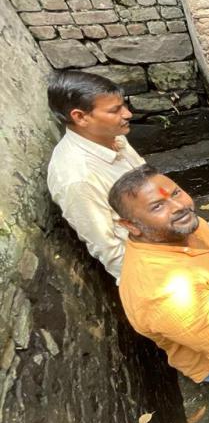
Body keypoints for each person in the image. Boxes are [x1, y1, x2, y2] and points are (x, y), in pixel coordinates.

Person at [109, 165, 209, 408]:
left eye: (175, 193)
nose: (178, 206)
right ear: (131, 225)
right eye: (157, 206)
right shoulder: (165, 292)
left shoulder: (188, 228)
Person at [46, 70, 144, 279]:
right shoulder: (77, 179)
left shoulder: (111, 136)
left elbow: (144, 177)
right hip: (149, 259)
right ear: (80, 117)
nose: (127, 114)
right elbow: (111, 252)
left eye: (124, 105)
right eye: (115, 110)